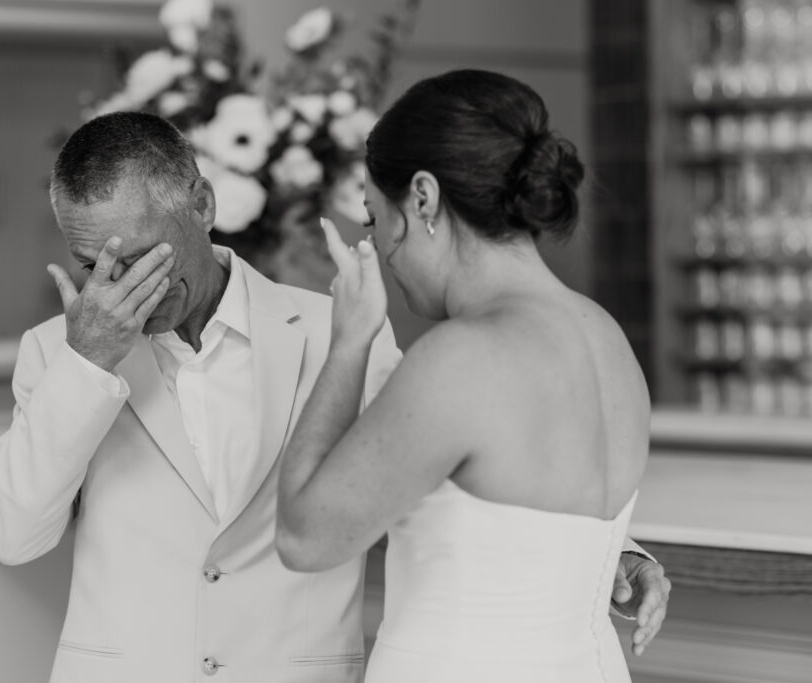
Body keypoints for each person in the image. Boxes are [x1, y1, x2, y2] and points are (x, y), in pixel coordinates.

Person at [0, 110, 668, 682]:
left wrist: (606, 550)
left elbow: (434, 467)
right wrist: (87, 364)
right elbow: (12, 536)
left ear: (201, 204)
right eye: (91, 263)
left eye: (138, 258)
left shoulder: (337, 327)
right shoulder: (56, 352)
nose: (117, 284)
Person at [276, 69, 668, 683]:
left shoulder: (461, 357)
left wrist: (350, 340)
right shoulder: (607, 338)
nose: (377, 247)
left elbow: (305, 538)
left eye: (376, 219)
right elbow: (537, 525)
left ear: (424, 198)